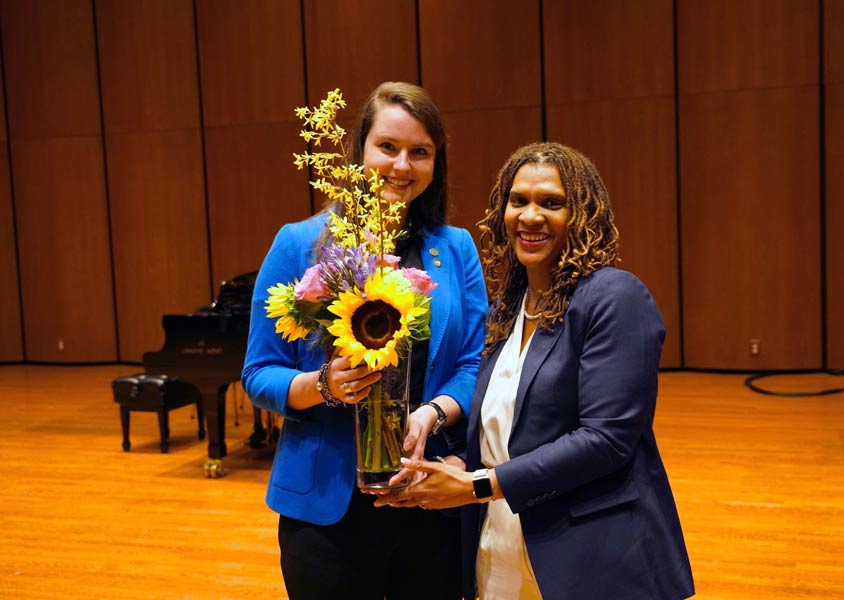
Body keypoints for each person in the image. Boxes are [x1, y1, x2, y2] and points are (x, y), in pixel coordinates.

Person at [376, 142, 694, 599]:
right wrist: (443, 466)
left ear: (583, 214)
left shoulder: (614, 296)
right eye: (518, 200)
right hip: (501, 548)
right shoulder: (508, 308)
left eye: (551, 202)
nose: (530, 216)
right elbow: (500, 433)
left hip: (592, 557)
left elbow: (607, 440)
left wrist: (474, 485)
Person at [241, 81, 488, 600]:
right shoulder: (298, 243)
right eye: (388, 147)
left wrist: (433, 414)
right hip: (325, 509)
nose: (402, 166)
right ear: (359, 151)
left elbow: (473, 363)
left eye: (420, 152)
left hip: (428, 490)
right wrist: (325, 385)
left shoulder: (457, 248)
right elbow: (259, 374)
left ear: (435, 163)